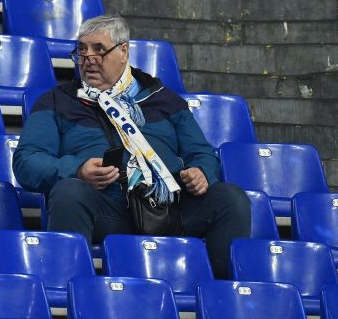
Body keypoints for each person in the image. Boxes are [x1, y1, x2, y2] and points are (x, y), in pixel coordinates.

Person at [13, 14, 251, 278]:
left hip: (168, 207)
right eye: (82, 50)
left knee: (231, 199)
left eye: (99, 50)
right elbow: (26, 161)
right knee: (69, 192)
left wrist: (202, 172)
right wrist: (77, 170)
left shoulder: (163, 99)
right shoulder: (57, 101)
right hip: (108, 208)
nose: (88, 59)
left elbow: (202, 153)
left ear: (123, 51)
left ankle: (224, 298)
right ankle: (69, 292)